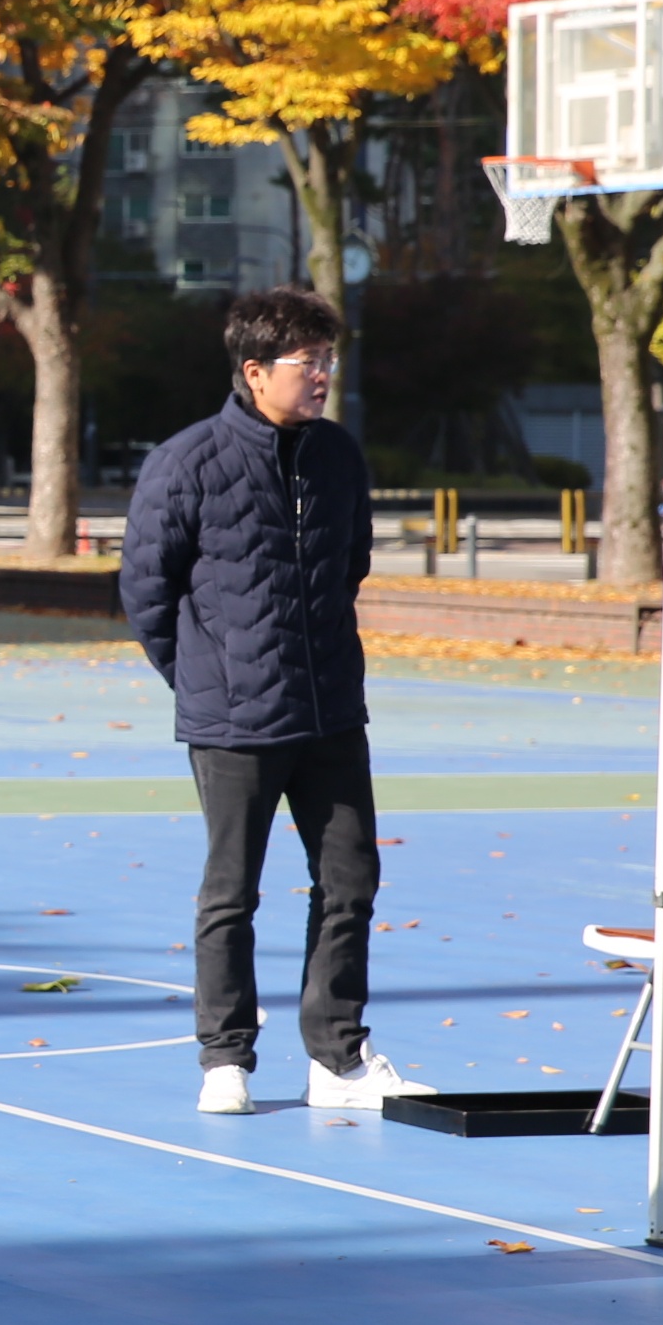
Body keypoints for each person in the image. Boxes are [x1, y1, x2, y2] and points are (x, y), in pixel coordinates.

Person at [120, 287, 433, 1116]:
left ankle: (338, 1059)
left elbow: (350, 565)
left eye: (329, 359)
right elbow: (146, 591)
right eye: (309, 363)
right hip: (233, 722)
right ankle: (225, 1059)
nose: (324, 374)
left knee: (351, 881)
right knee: (232, 890)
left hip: (331, 711)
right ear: (254, 372)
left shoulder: (339, 457)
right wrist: (204, 678)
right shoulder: (186, 462)